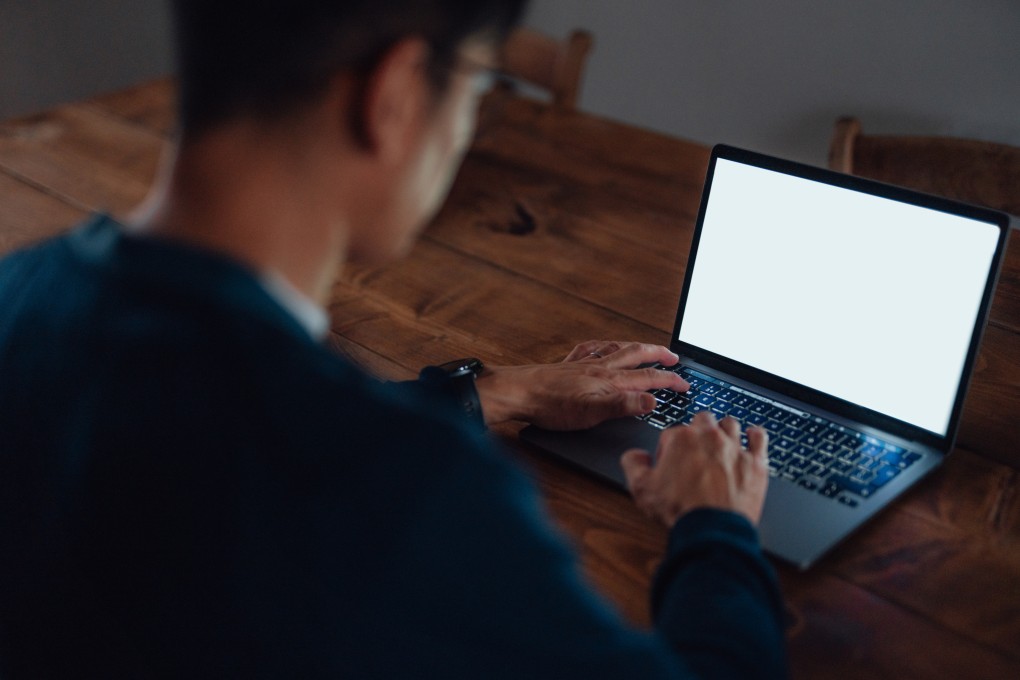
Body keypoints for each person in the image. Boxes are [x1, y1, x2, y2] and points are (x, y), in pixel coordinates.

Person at [0, 1, 788, 677]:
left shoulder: (20, 294)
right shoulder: (403, 494)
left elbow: (208, 425)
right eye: (478, 88)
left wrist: (493, 391)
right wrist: (713, 530)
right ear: (396, 94)